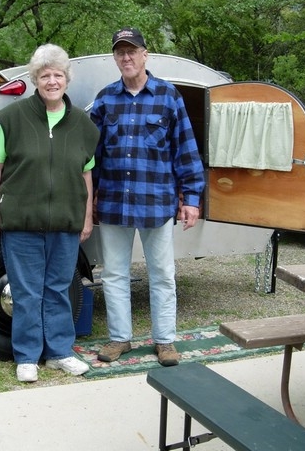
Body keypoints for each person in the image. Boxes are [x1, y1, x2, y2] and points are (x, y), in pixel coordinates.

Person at [0, 44, 99, 382]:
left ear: (66, 80)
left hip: (65, 222)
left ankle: (60, 352)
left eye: (58, 75)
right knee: (26, 292)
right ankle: (28, 357)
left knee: (59, 288)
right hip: (21, 222)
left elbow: (86, 173)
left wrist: (87, 216)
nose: (52, 81)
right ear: (35, 79)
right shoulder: (13, 118)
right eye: (45, 75)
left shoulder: (82, 125)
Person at [91, 27, 205, 367]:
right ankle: (119, 339)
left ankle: (165, 340)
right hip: (113, 201)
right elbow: (91, 155)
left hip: (156, 201)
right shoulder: (105, 99)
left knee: (162, 273)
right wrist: (90, 196)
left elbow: (186, 149)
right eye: (120, 52)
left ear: (145, 54)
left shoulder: (169, 97)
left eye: (132, 51)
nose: (126, 57)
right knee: (113, 274)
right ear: (115, 58)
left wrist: (192, 198)